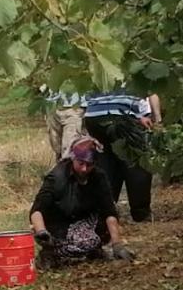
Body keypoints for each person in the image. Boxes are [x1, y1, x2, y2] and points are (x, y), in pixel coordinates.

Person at [30, 137, 135, 266]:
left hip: (87, 222)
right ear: (73, 158)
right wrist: (41, 232)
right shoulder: (56, 178)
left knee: (101, 230)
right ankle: (51, 253)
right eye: (81, 163)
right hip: (59, 225)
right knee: (81, 242)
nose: (84, 169)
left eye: (89, 164)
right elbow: (37, 210)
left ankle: (94, 250)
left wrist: (117, 244)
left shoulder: (99, 177)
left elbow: (109, 211)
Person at [82, 88, 154, 222]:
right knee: (136, 163)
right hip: (120, 115)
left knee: (105, 163)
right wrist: (146, 116)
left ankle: (106, 212)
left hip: (94, 117)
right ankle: (140, 213)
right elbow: (148, 93)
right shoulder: (131, 68)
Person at [42, 86, 87, 163]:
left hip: (75, 105)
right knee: (57, 149)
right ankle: (61, 170)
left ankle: (68, 170)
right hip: (52, 104)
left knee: (69, 150)